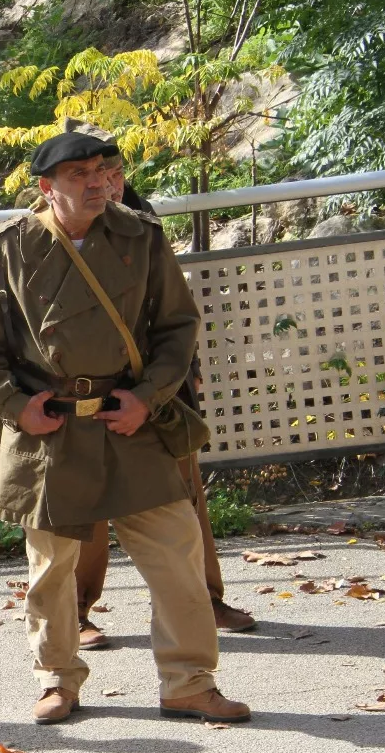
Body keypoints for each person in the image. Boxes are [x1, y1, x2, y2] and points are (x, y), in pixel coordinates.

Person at [0, 132, 252, 726]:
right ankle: (57, 681)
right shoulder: (7, 248)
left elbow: (177, 328)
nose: (96, 182)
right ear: (47, 188)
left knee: (176, 555)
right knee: (52, 571)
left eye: (101, 170)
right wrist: (18, 407)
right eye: (77, 175)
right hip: (53, 431)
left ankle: (190, 683)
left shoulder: (140, 236)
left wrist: (147, 398)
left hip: (130, 424)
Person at [72, 152, 257, 652]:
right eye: (90, 173)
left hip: (160, 390)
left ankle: (205, 600)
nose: (105, 184)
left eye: (113, 172)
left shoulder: (141, 222)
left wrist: (176, 377)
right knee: (85, 508)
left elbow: (175, 312)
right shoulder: (49, 229)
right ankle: (76, 611)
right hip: (81, 397)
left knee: (184, 498)